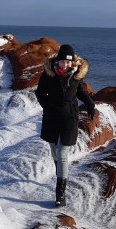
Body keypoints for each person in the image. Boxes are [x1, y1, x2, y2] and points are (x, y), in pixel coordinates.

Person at [35, 44, 95, 207]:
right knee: (54, 151)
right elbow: (40, 93)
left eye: (68, 62)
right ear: (58, 61)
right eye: (63, 62)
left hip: (69, 118)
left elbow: (81, 92)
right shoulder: (48, 75)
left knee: (62, 154)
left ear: (73, 62)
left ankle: (60, 194)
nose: (66, 65)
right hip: (52, 117)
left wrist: (90, 104)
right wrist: (48, 106)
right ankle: (60, 172)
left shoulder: (75, 76)